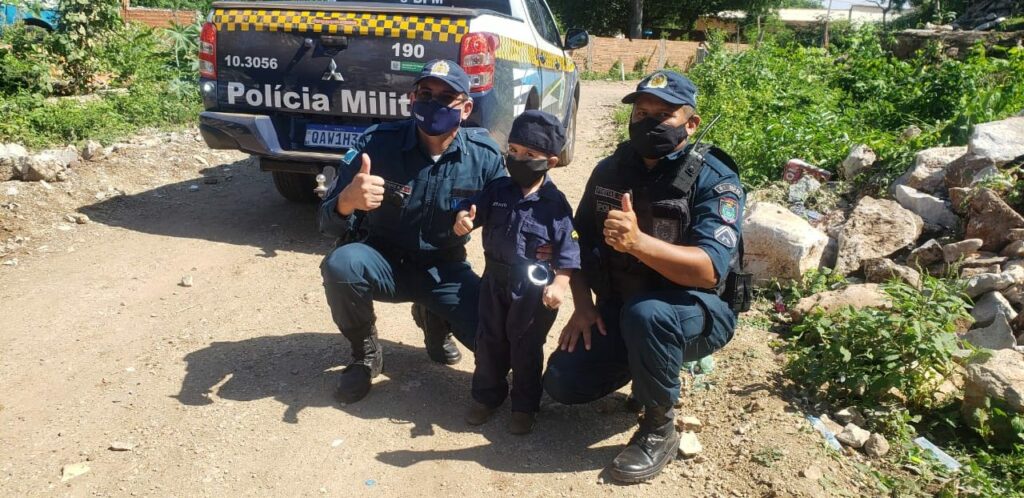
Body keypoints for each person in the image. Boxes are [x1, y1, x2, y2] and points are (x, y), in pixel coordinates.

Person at [542, 70, 747, 483]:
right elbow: (576, 241)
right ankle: (645, 366)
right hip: (622, 306)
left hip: (696, 309)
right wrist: (583, 306)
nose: (649, 120)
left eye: (664, 114)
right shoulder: (611, 170)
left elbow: (709, 271)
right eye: (642, 111)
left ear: (691, 123)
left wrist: (637, 243)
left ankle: (659, 428)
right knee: (564, 382)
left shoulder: (714, 179)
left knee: (648, 314)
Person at [318, 60, 506, 404]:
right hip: (384, 260)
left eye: (445, 97)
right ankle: (364, 354)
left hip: (444, 269)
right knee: (341, 265)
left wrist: (480, 219)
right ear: (411, 99)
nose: (432, 103)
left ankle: (434, 318)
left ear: (466, 108)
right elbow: (326, 220)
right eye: (425, 93)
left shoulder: (484, 157)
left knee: (500, 350)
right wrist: (347, 200)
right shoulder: (376, 145)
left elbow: (513, 217)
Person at [452, 110, 581, 435]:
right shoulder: (498, 190)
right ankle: (486, 397)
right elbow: (471, 211)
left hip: (532, 289)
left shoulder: (554, 205)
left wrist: (560, 284)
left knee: (525, 346)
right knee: (489, 340)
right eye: (513, 151)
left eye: (529, 155)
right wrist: (463, 220)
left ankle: (524, 405)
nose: (518, 159)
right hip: (494, 281)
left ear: (550, 161)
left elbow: (568, 250)